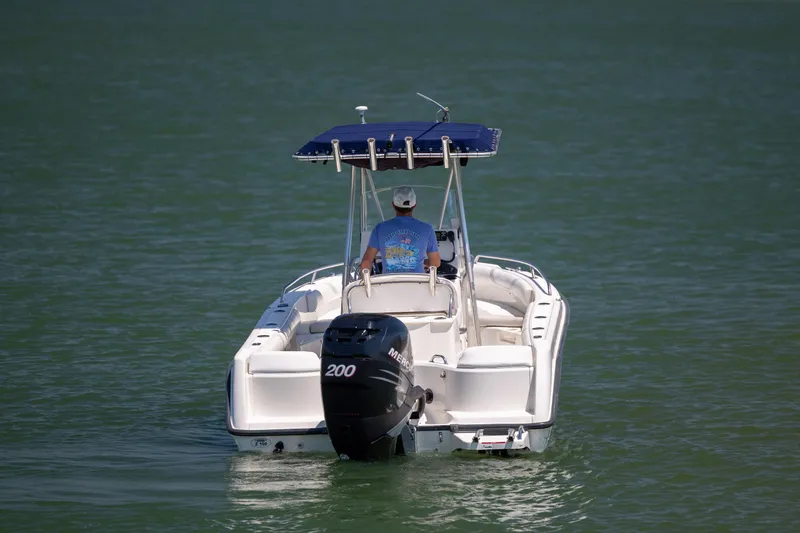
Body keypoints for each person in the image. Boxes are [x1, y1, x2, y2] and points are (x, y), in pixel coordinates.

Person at [359, 186, 441, 275]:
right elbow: (435, 263)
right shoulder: (427, 229)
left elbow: (366, 262)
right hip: (417, 285)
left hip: (388, 285)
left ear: (393, 205)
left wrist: (366, 284)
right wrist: (421, 262)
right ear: (414, 205)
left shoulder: (380, 228)